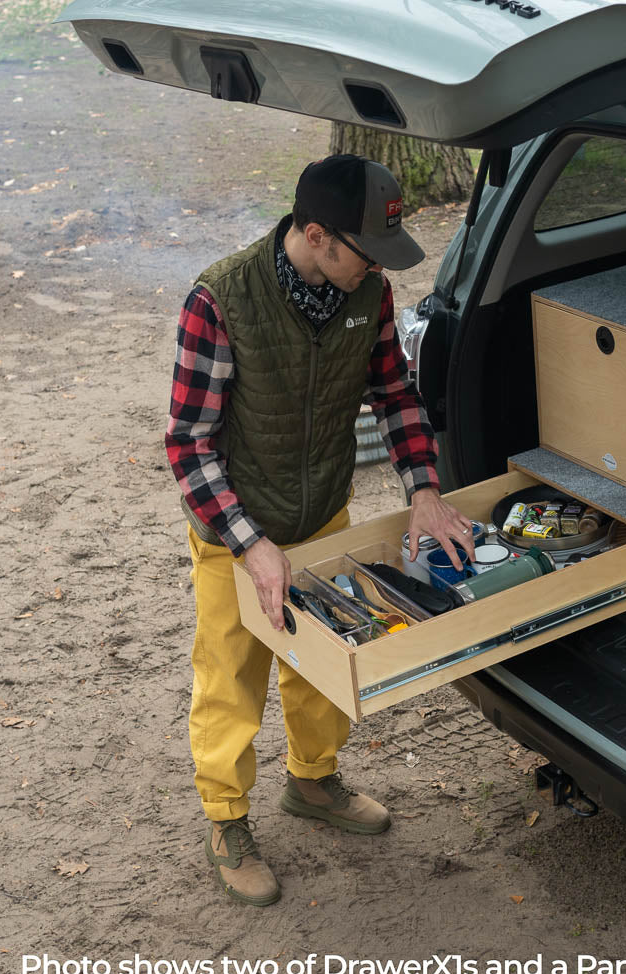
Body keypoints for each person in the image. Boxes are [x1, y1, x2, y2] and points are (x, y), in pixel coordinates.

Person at [165, 154, 475, 906]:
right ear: (315, 236)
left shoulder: (367, 290)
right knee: (231, 677)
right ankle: (227, 818)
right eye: (365, 253)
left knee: (321, 664)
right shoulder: (221, 299)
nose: (375, 271)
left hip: (321, 511)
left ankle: (313, 781)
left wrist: (426, 490)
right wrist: (249, 543)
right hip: (234, 528)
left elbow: (393, 392)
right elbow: (189, 443)